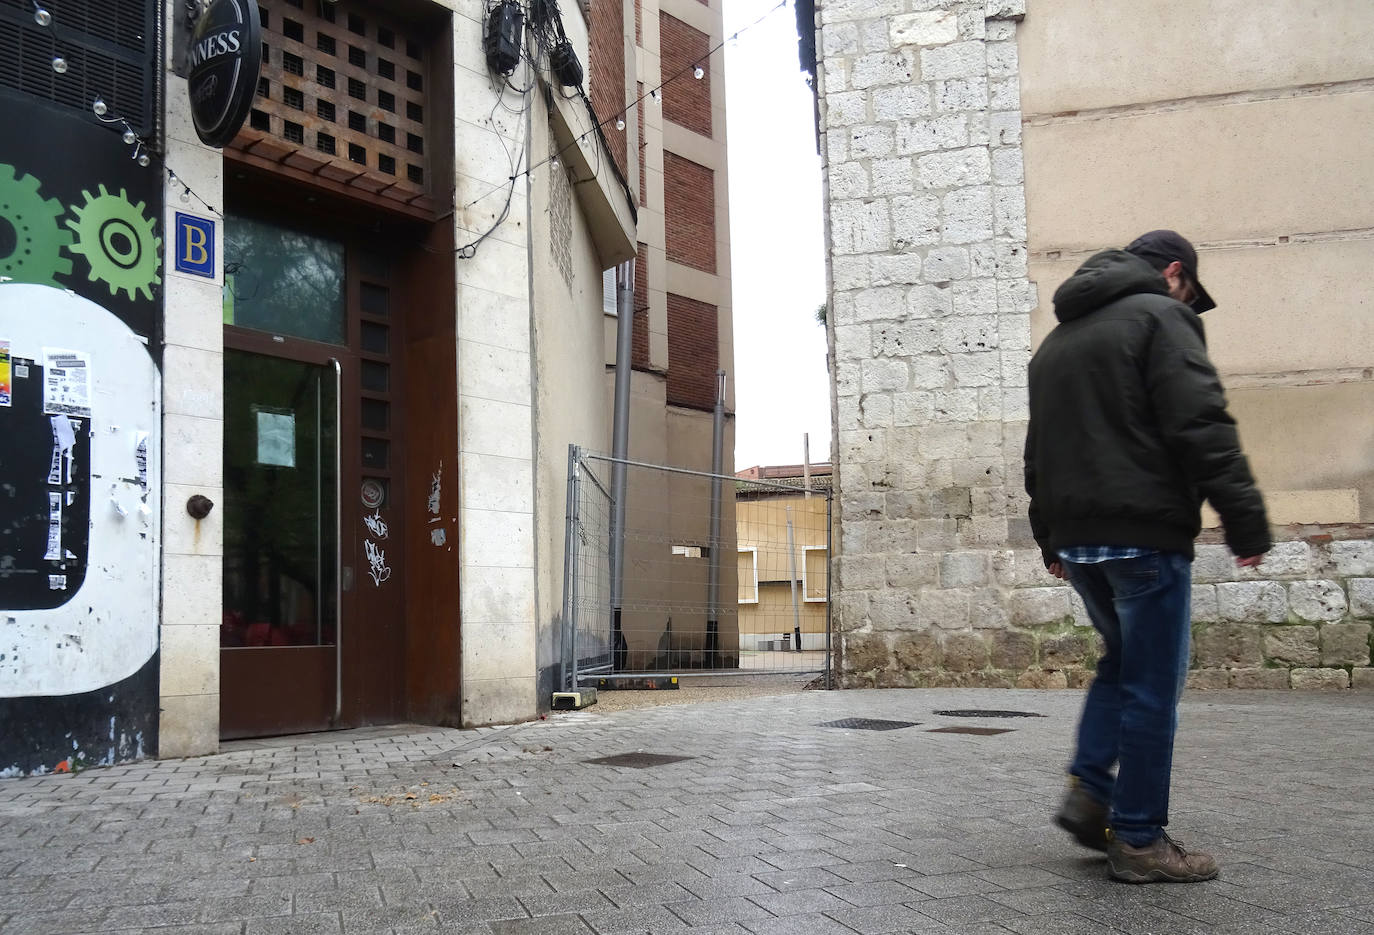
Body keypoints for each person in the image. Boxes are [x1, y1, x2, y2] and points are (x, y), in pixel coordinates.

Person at [1024, 230, 1270, 884]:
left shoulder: (1056, 342)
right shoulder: (1164, 316)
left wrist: (1050, 538)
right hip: (1144, 535)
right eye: (1190, 290)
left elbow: (1038, 449)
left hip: (1079, 543)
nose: (1189, 302)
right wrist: (1245, 521)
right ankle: (1137, 838)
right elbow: (1202, 422)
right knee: (1153, 687)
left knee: (1123, 661)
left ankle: (1090, 789)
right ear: (1173, 273)